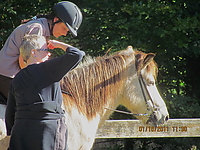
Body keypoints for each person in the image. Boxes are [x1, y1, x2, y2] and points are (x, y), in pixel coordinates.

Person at [5, 34, 85, 150]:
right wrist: (58, 44)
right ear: (34, 53)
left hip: (21, 133)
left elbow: (10, 112)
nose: (49, 53)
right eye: (45, 49)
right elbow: (77, 54)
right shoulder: (48, 69)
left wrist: (13, 133)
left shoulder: (17, 78)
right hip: (47, 133)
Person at [0, 1, 82, 101]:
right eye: (64, 28)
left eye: (67, 31)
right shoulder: (38, 29)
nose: (65, 33)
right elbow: (24, 61)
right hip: (8, 77)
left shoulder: (42, 28)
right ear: (56, 20)